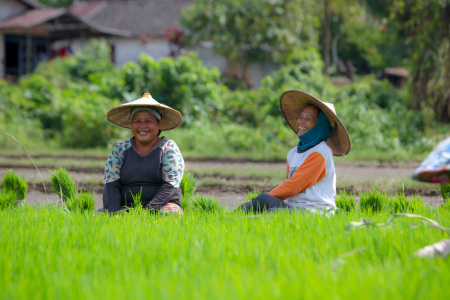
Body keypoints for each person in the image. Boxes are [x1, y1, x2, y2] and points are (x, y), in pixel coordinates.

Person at [237, 90, 351, 214]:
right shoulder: (293, 153)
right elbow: (290, 186)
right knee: (263, 201)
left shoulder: (321, 152)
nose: (301, 121)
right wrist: (262, 200)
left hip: (314, 210)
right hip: (293, 206)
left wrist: (263, 198)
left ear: (320, 125)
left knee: (269, 211)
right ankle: (227, 219)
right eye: (301, 117)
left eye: (308, 119)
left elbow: (294, 185)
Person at [98, 92, 185, 215]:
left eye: (148, 121)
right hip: (126, 206)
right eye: (137, 121)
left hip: (162, 206)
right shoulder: (120, 150)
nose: (142, 126)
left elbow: (170, 186)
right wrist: (113, 213)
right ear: (132, 124)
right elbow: (111, 185)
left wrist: (147, 212)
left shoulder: (168, 148)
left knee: (169, 214)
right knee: (100, 216)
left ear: (159, 124)